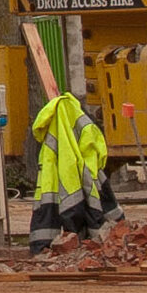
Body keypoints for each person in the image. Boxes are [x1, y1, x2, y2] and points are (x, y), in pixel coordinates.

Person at [29, 88, 115, 251]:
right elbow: (100, 151)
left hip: (56, 185)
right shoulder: (80, 122)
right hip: (76, 183)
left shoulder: (55, 130)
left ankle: (44, 249)